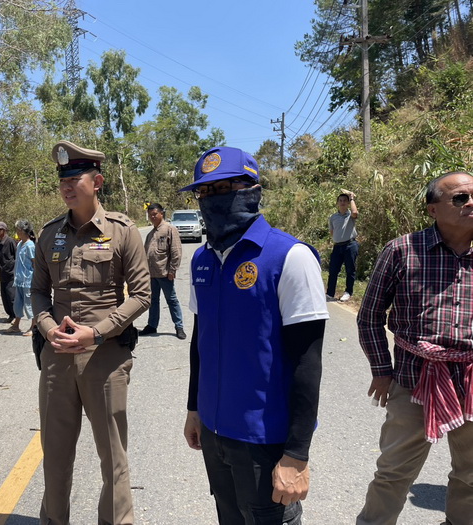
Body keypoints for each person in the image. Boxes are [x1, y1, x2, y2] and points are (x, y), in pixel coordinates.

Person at [180, 147, 329, 524]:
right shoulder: (202, 260)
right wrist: (194, 408)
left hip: (265, 440)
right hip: (214, 432)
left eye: (224, 188)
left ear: (253, 190)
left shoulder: (290, 257)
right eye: (204, 192)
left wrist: (297, 454)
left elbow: (307, 363)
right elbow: (200, 342)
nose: (213, 199)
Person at [31, 140, 151, 525]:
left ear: (97, 181)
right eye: (62, 179)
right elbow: (37, 292)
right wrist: (48, 328)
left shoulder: (122, 231)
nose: (67, 186)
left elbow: (142, 295)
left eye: (75, 178)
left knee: (113, 458)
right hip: (57, 359)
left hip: (106, 358)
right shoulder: (49, 234)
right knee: (55, 456)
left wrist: (97, 333)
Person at [355, 171, 473, 525]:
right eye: (460, 198)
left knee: (471, 475)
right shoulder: (402, 250)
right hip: (413, 380)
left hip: (471, 384)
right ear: (432, 209)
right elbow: (370, 316)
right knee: (393, 474)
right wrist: (381, 370)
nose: (471, 203)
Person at [138, 202, 186, 339]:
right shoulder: (150, 234)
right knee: (153, 301)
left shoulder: (169, 229)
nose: (152, 217)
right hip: (151, 274)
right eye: (150, 215)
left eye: (155, 214)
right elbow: (145, 253)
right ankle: (152, 326)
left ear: (161, 214)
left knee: (172, 300)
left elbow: (176, 251)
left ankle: (179, 327)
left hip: (165, 273)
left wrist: (172, 270)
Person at [5, 219, 36, 336]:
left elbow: (35, 263)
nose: (16, 232)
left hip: (28, 280)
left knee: (29, 304)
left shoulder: (30, 246)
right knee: (18, 303)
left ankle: (33, 327)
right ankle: (16, 325)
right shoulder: (19, 244)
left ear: (22, 231)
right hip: (19, 280)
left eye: (18, 229)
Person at [326, 191, 359, 302]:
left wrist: (352, 198)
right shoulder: (333, 217)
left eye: (345, 200)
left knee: (350, 270)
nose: (342, 202)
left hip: (350, 245)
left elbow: (355, 212)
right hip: (337, 246)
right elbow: (332, 232)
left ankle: (348, 292)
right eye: (340, 200)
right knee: (333, 270)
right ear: (337, 203)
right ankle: (330, 294)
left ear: (348, 203)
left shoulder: (350, 215)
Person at [0, 221, 17, 324]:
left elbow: (16, 256)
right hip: (2, 274)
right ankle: (10, 314)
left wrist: (13, 269)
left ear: (4, 230)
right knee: (4, 296)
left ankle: (15, 316)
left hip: (11, 273)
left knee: (11, 295)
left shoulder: (10, 242)